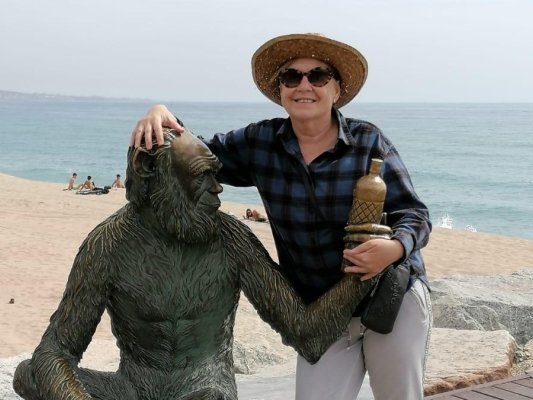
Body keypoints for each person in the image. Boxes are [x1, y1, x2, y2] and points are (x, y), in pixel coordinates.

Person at [130, 33, 432, 400]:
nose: (304, 85)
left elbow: (413, 213)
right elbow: (196, 153)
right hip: (323, 314)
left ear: (336, 89)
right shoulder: (261, 143)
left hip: (389, 301)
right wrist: (161, 114)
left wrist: (396, 248)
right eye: (292, 77)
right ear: (281, 90)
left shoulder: (368, 141)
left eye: (318, 76)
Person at [13, 129, 374, 400]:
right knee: (28, 375)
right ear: (153, 173)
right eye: (202, 176)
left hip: (204, 391)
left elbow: (306, 333)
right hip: (134, 388)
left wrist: (365, 270)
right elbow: (55, 351)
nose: (217, 189)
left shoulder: (230, 239)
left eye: (215, 174)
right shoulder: (108, 244)